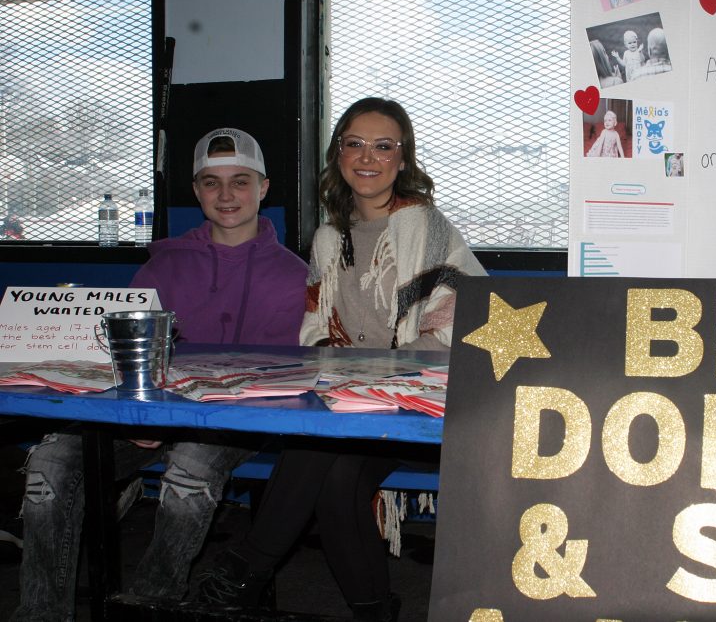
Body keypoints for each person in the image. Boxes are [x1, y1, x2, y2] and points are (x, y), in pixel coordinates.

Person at [194, 98, 485, 621]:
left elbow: (462, 331)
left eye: (383, 146)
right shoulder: (329, 239)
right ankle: (375, 610)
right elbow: (316, 335)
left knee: (324, 457)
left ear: (403, 158)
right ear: (339, 155)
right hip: (351, 402)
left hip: (424, 405)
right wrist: (349, 378)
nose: (366, 157)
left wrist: (373, 376)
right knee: (332, 478)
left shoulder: (426, 227)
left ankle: (246, 569)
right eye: (354, 143)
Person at [10, 128, 307, 622]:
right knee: (49, 462)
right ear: (196, 191)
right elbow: (122, 356)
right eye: (211, 183)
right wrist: (135, 415)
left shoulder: (296, 274)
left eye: (240, 181)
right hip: (147, 414)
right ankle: (40, 613)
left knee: (189, 470)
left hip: (235, 420)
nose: (227, 195)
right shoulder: (163, 265)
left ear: (264, 187)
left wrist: (170, 419)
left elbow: (275, 380)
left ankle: (149, 603)